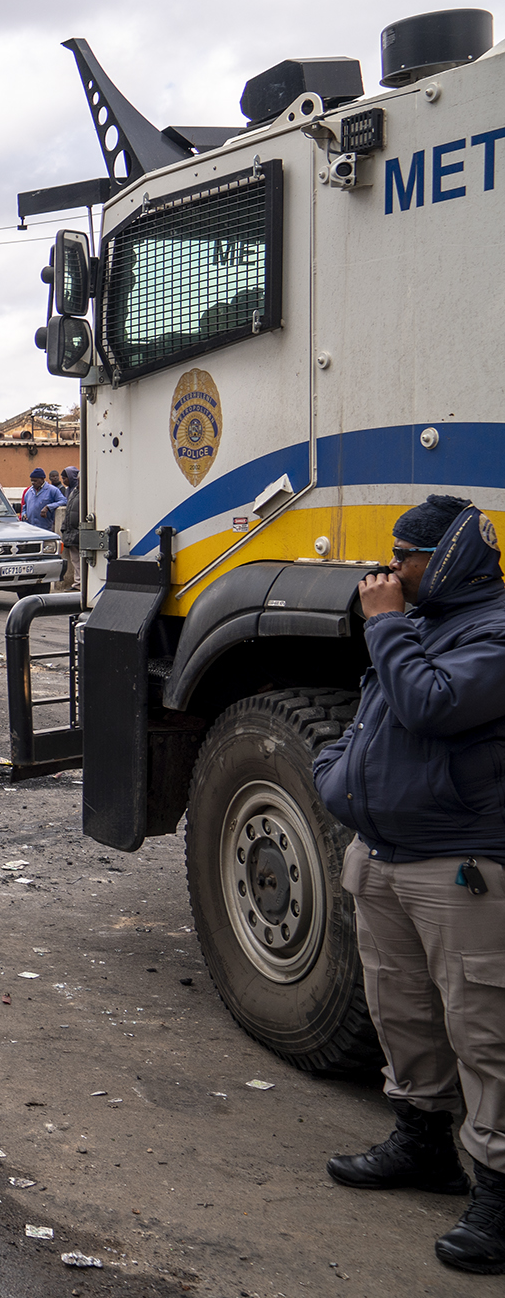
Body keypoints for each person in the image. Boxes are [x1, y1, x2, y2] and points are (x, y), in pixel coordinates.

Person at [315, 497, 505, 1274]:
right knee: (402, 1011)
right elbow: (372, 718)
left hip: (458, 864)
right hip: (386, 854)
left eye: (406, 557)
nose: (391, 572)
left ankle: (497, 1191)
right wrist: (336, 776)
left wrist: (385, 623)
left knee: (484, 1031)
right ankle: (421, 1142)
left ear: (452, 555)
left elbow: (432, 705)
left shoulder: (492, 628)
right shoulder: (421, 623)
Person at [56, 468, 83, 591]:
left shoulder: (84, 493)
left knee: (82, 560)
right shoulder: (73, 492)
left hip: (80, 532)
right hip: (72, 532)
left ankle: (81, 584)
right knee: (75, 560)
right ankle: (78, 583)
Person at [20, 467, 66, 532]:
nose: (33, 483)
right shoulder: (29, 492)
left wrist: (48, 507)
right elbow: (24, 507)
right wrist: (23, 514)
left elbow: (64, 501)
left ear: (42, 479)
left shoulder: (52, 490)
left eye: (35, 481)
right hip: (30, 529)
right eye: (32, 481)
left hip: (46, 528)